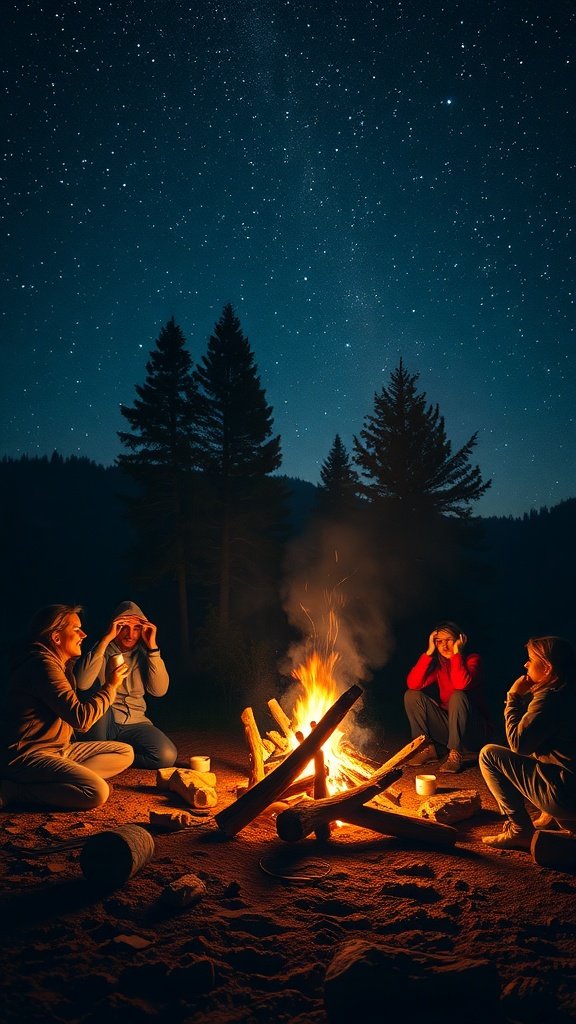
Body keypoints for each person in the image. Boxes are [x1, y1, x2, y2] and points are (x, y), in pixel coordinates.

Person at [0, 604, 134, 811]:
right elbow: (81, 720)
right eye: (76, 629)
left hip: (60, 750)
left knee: (125, 752)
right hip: (28, 755)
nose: (83, 634)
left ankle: (67, 781)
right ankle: (15, 790)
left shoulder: (59, 666)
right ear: (56, 637)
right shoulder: (43, 667)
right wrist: (110, 685)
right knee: (97, 792)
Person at [479, 636, 576, 850]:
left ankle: (519, 830)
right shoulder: (568, 690)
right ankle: (552, 816)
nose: (525, 664)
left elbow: (518, 744)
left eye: (531, 659)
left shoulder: (550, 698)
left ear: (547, 668)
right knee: (541, 746)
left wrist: (513, 697)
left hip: (566, 793)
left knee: (489, 755)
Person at [75, 600, 177, 770]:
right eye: (124, 627)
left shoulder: (145, 655)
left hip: (136, 722)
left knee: (166, 756)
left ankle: (116, 756)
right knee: (97, 697)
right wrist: (105, 640)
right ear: (115, 628)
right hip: (104, 720)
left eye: (136, 628)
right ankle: (100, 752)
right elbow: (82, 684)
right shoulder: (101, 651)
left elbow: (159, 691)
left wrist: (153, 649)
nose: (130, 635)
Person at [405, 620, 491, 773]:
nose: (444, 646)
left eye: (449, 640)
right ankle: (426, 749)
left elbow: (461, 684)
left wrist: (456, 654)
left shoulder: (473, 660)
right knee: (412, 696)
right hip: (451, 730)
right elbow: (413, 684)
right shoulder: (441, 665)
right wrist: (429, 652)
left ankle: (456, 753)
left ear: (459, 640)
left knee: (458, 695)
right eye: (439, 642)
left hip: (474, 731)